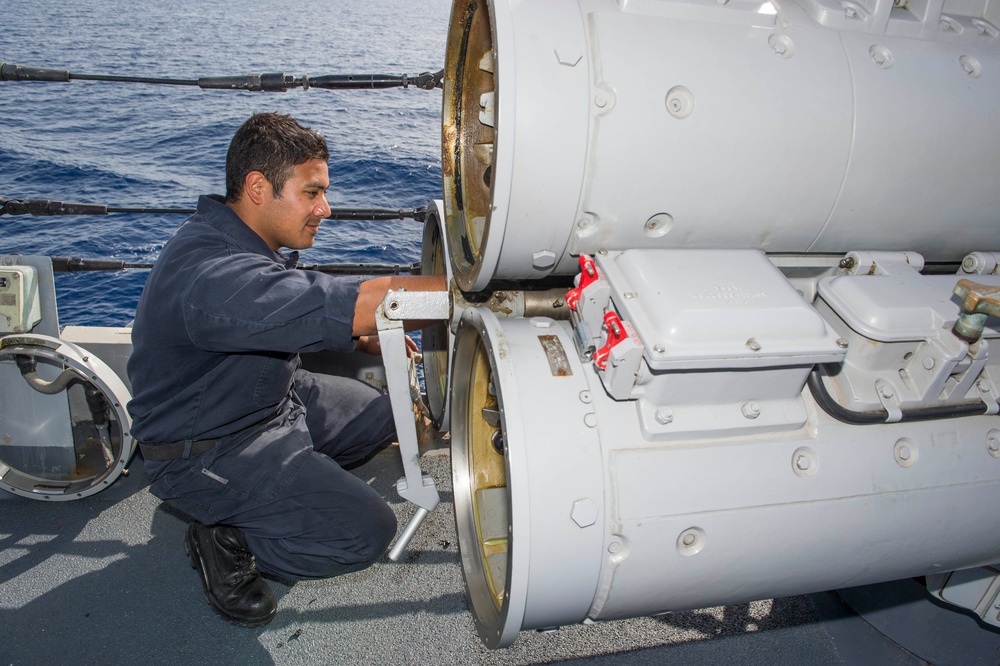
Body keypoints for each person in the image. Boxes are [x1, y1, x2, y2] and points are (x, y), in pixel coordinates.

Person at [126, 112, 445, 627]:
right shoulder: (212, 274)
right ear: (258, 187)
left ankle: (288, 488)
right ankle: (225, 534)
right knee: (363, 532)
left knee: (392, 414)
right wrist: (477, 295)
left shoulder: (236, 238)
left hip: (270, 397)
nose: (326, 208)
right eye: (312, 192)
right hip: (209, 447)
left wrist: (362, 336)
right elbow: (346, 299)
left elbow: (279, 312)